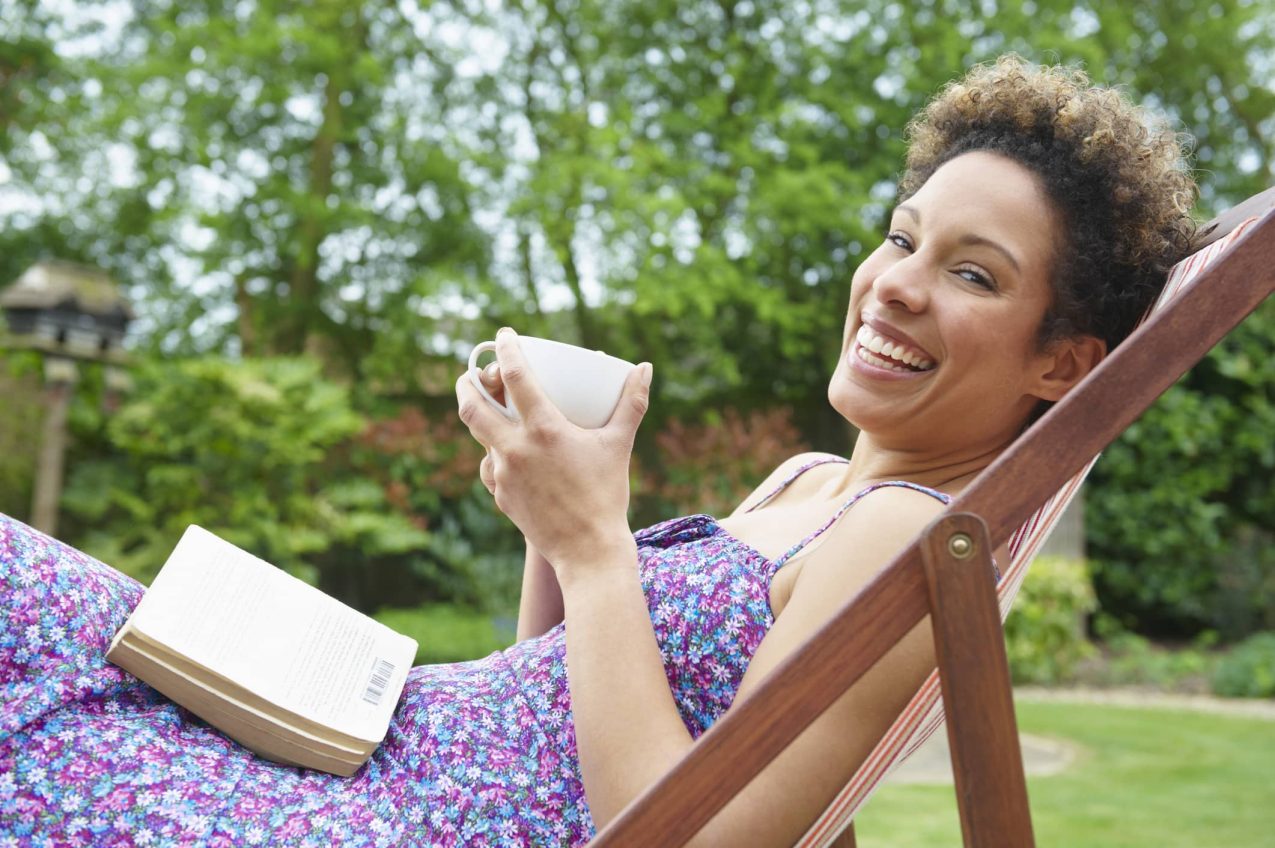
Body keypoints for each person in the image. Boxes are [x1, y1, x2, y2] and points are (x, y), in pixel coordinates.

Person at [1, 55, 1195, 847]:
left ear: (1062, 362)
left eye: (971, 273)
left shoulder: (904, 539)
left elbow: (682, 835)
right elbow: (563, 713)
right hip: (371, 753)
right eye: (902, 237)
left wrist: (592, 547)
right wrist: (556, 532)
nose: (896, 289)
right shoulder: (811, 486)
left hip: (381, 816)